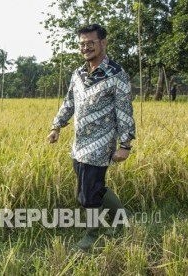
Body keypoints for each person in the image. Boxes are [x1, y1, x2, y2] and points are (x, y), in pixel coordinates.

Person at [47, 24, 136, 251]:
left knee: (87, 194)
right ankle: (123, 218)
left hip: (101, 144)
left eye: (90, 43)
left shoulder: (117, 75)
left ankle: (92, 235)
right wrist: (57, 126)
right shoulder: (78, 74)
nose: (86, 48)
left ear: (103, 43)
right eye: (82, 44)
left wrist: (125, 145)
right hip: (79, 144)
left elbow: (124, 111)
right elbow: (69, 102)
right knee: (94, 186)